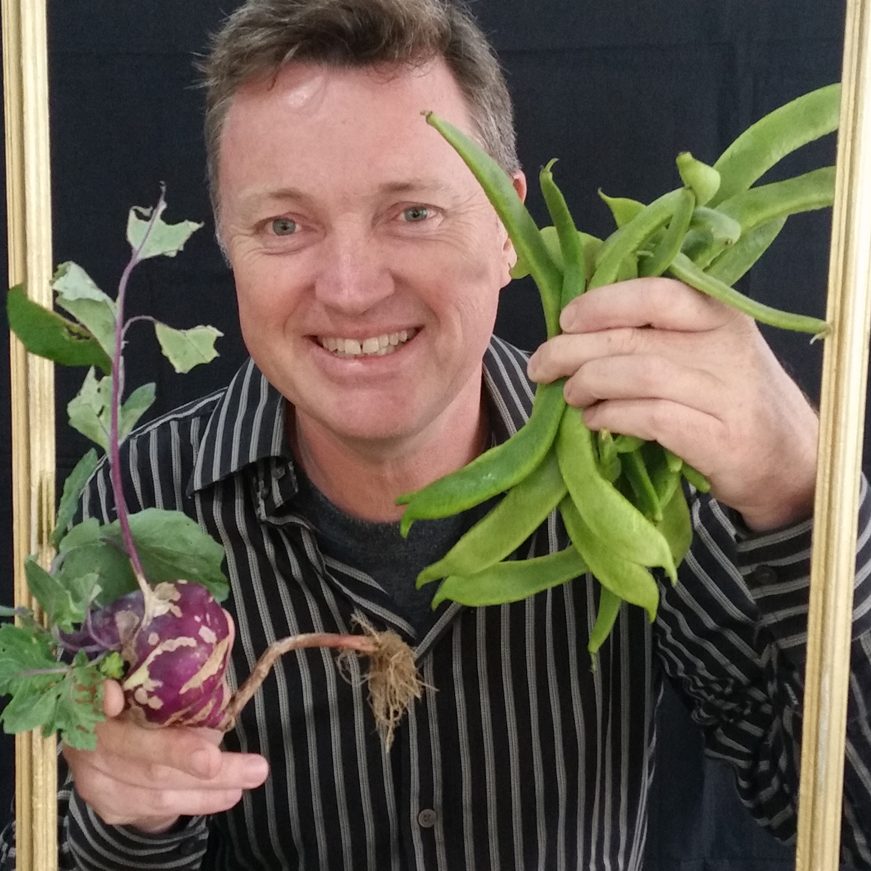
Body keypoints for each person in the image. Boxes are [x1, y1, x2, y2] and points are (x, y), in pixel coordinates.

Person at [3, 0, 871, 868]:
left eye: (412, 211)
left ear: (507, 232)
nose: (348, 288)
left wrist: (802, 489)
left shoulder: (638, 465)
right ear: (228, 242)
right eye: (283, 225)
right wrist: (123, 819)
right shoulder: (136, 505)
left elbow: (842, 818)